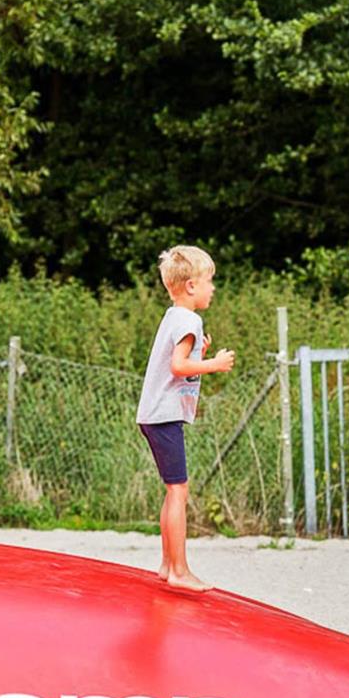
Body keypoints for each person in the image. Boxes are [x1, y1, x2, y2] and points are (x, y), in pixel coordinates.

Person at [136, 245, 235, 592]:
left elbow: (178, 364)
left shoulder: (173, 316)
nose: (213, 288)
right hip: (163, 415)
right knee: (178, 490)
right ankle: (179, 570)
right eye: (209, 281)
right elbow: (178, 366)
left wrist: (199, 354)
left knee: (173, 490)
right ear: (191, 286)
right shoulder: (190, 320)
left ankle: (168, 565)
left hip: (154, 414)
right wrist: (213, 364)